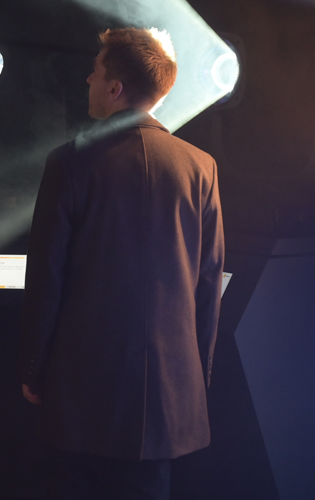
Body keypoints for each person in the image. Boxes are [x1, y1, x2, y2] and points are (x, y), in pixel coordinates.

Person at [17, 27, 225, 500]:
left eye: (95, 70)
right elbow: (208, 282)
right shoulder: (201, 167)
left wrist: (33, 367)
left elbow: (47, 275)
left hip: (80, 387)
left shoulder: (69, 163)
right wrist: (195, 378)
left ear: (114, 88)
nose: (88, 78)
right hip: (167, 392)